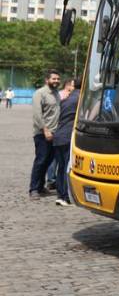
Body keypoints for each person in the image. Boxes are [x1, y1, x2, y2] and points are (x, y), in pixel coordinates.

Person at [30, 70, 61, 199]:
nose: (56, 81)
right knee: (41, 160)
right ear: (47, 80)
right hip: (42, 134)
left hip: (55, 133)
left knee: (48, 161)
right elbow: (37, 114)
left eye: (58, 79)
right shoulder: (40, 93)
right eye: (54, 79)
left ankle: (40, 186)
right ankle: (33, 189)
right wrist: (45, 130)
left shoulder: (56, 93)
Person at [53, 78, 79, 206]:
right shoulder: (80, 99)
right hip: (68, 136)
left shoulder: (65, 100)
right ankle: (65, 196)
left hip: (58, 136)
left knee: (61, 167)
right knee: (67, 167)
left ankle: (60, 195)